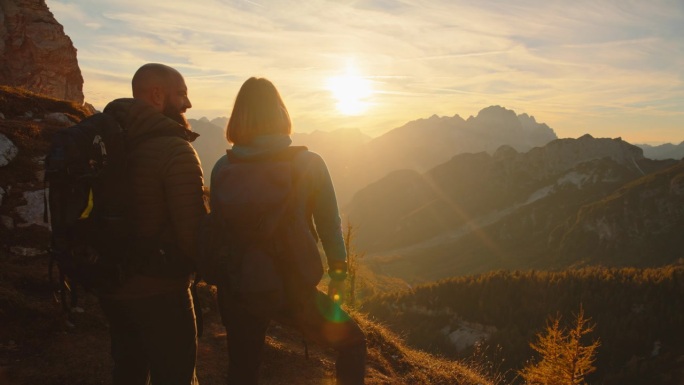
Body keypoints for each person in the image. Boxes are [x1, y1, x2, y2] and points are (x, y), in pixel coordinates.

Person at [210, 77, 366, 385]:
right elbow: (329, 225)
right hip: (289, 286)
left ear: (237, 117)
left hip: (238, 285)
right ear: (281, 112)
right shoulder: (308, 163)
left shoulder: (221, 167)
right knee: (352, 343)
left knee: (243, 368)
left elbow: (219, 228)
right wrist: (337, 274)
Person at [97, 63, 207, 385]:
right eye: (182, 94)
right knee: (175, 374)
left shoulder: (109, 140)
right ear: (157, 95)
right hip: (161, 290)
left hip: (112, 286)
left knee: (128, 370)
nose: (188, 104)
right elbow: (193, 235)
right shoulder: (176, 149)